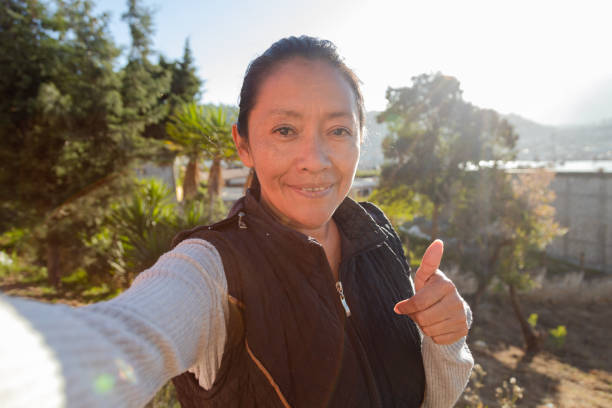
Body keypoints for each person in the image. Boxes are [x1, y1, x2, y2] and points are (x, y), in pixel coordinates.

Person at [0, 36, 473, 408]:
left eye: (338, 130)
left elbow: (430, 401)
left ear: (360, 140)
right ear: (243, 144)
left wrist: (446, 342)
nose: (315, 159)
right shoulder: (212, 272)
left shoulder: (375, 235)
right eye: (284, 130)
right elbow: (121, 336)